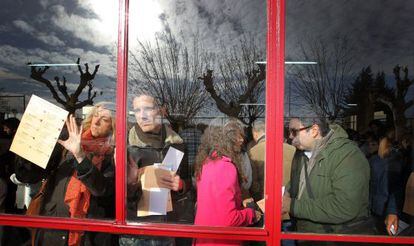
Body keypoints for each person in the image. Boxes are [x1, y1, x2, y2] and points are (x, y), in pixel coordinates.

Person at [15, 102, 116, 246]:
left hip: (88, 235)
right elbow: (28, 176)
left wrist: (80, 156)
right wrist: (32, 141)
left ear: (113, 126)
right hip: (52, 227)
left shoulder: (112, 153)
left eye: (104, 119)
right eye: (95, 115)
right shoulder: (70, 140)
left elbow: (103, 189)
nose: (96, 121)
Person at [121, 94, 191, 246]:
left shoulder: (178, 144)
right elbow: (113, 195)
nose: (142, 116)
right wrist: (131, 184)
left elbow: (188, 183)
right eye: (137, 111)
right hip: (136, 232)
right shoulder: (126, 146)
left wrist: (181, 186)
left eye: (148, 109)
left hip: (168, 229)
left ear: (161, 111)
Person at [283, 116, 370, 236]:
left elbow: (344, 206)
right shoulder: (300, 153)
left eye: (294, 131)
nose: (290, 136)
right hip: (305, 234)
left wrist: (293, 206)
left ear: (314, 130)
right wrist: (287, 191)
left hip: (334, 237)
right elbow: (299, 179)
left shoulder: (348, 155)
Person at [193, 118, 261, 246]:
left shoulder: (207, 162)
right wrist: (250, 214)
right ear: (224, 139)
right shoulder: (225, 167)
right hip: (221, 241)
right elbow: (228, 219)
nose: (241, 140)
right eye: (236, 135)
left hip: (205, 238)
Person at [248, 119, 265, 202]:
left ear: (255, 133)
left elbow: (252, 172)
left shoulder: (251, 147)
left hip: (260, 192)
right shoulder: (279, 143)